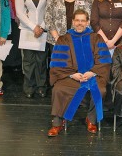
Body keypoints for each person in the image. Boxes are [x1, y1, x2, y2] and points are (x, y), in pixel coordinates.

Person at [47, 9, 112, 137]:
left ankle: (91, 119)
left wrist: (92, 72)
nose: (80, 23)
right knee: (58, 89)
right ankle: (58, 122)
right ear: (73, 22)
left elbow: (104, 61)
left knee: (100, 89)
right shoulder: (63, 39)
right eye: (77, 20)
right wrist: (72, 74)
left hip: (93, 76)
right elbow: (57, 64)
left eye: (83, 20)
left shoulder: (96, 38)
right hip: (70, 77)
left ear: (87, 22)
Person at [15, 0, 51, 98]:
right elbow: (20, 12)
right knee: (28, 62)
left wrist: (41, 27)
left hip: (43, 30)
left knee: (41, 60)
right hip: (27, 30)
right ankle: (29, 87)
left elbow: (50, 10)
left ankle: (42, 86)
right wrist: (33, 27)